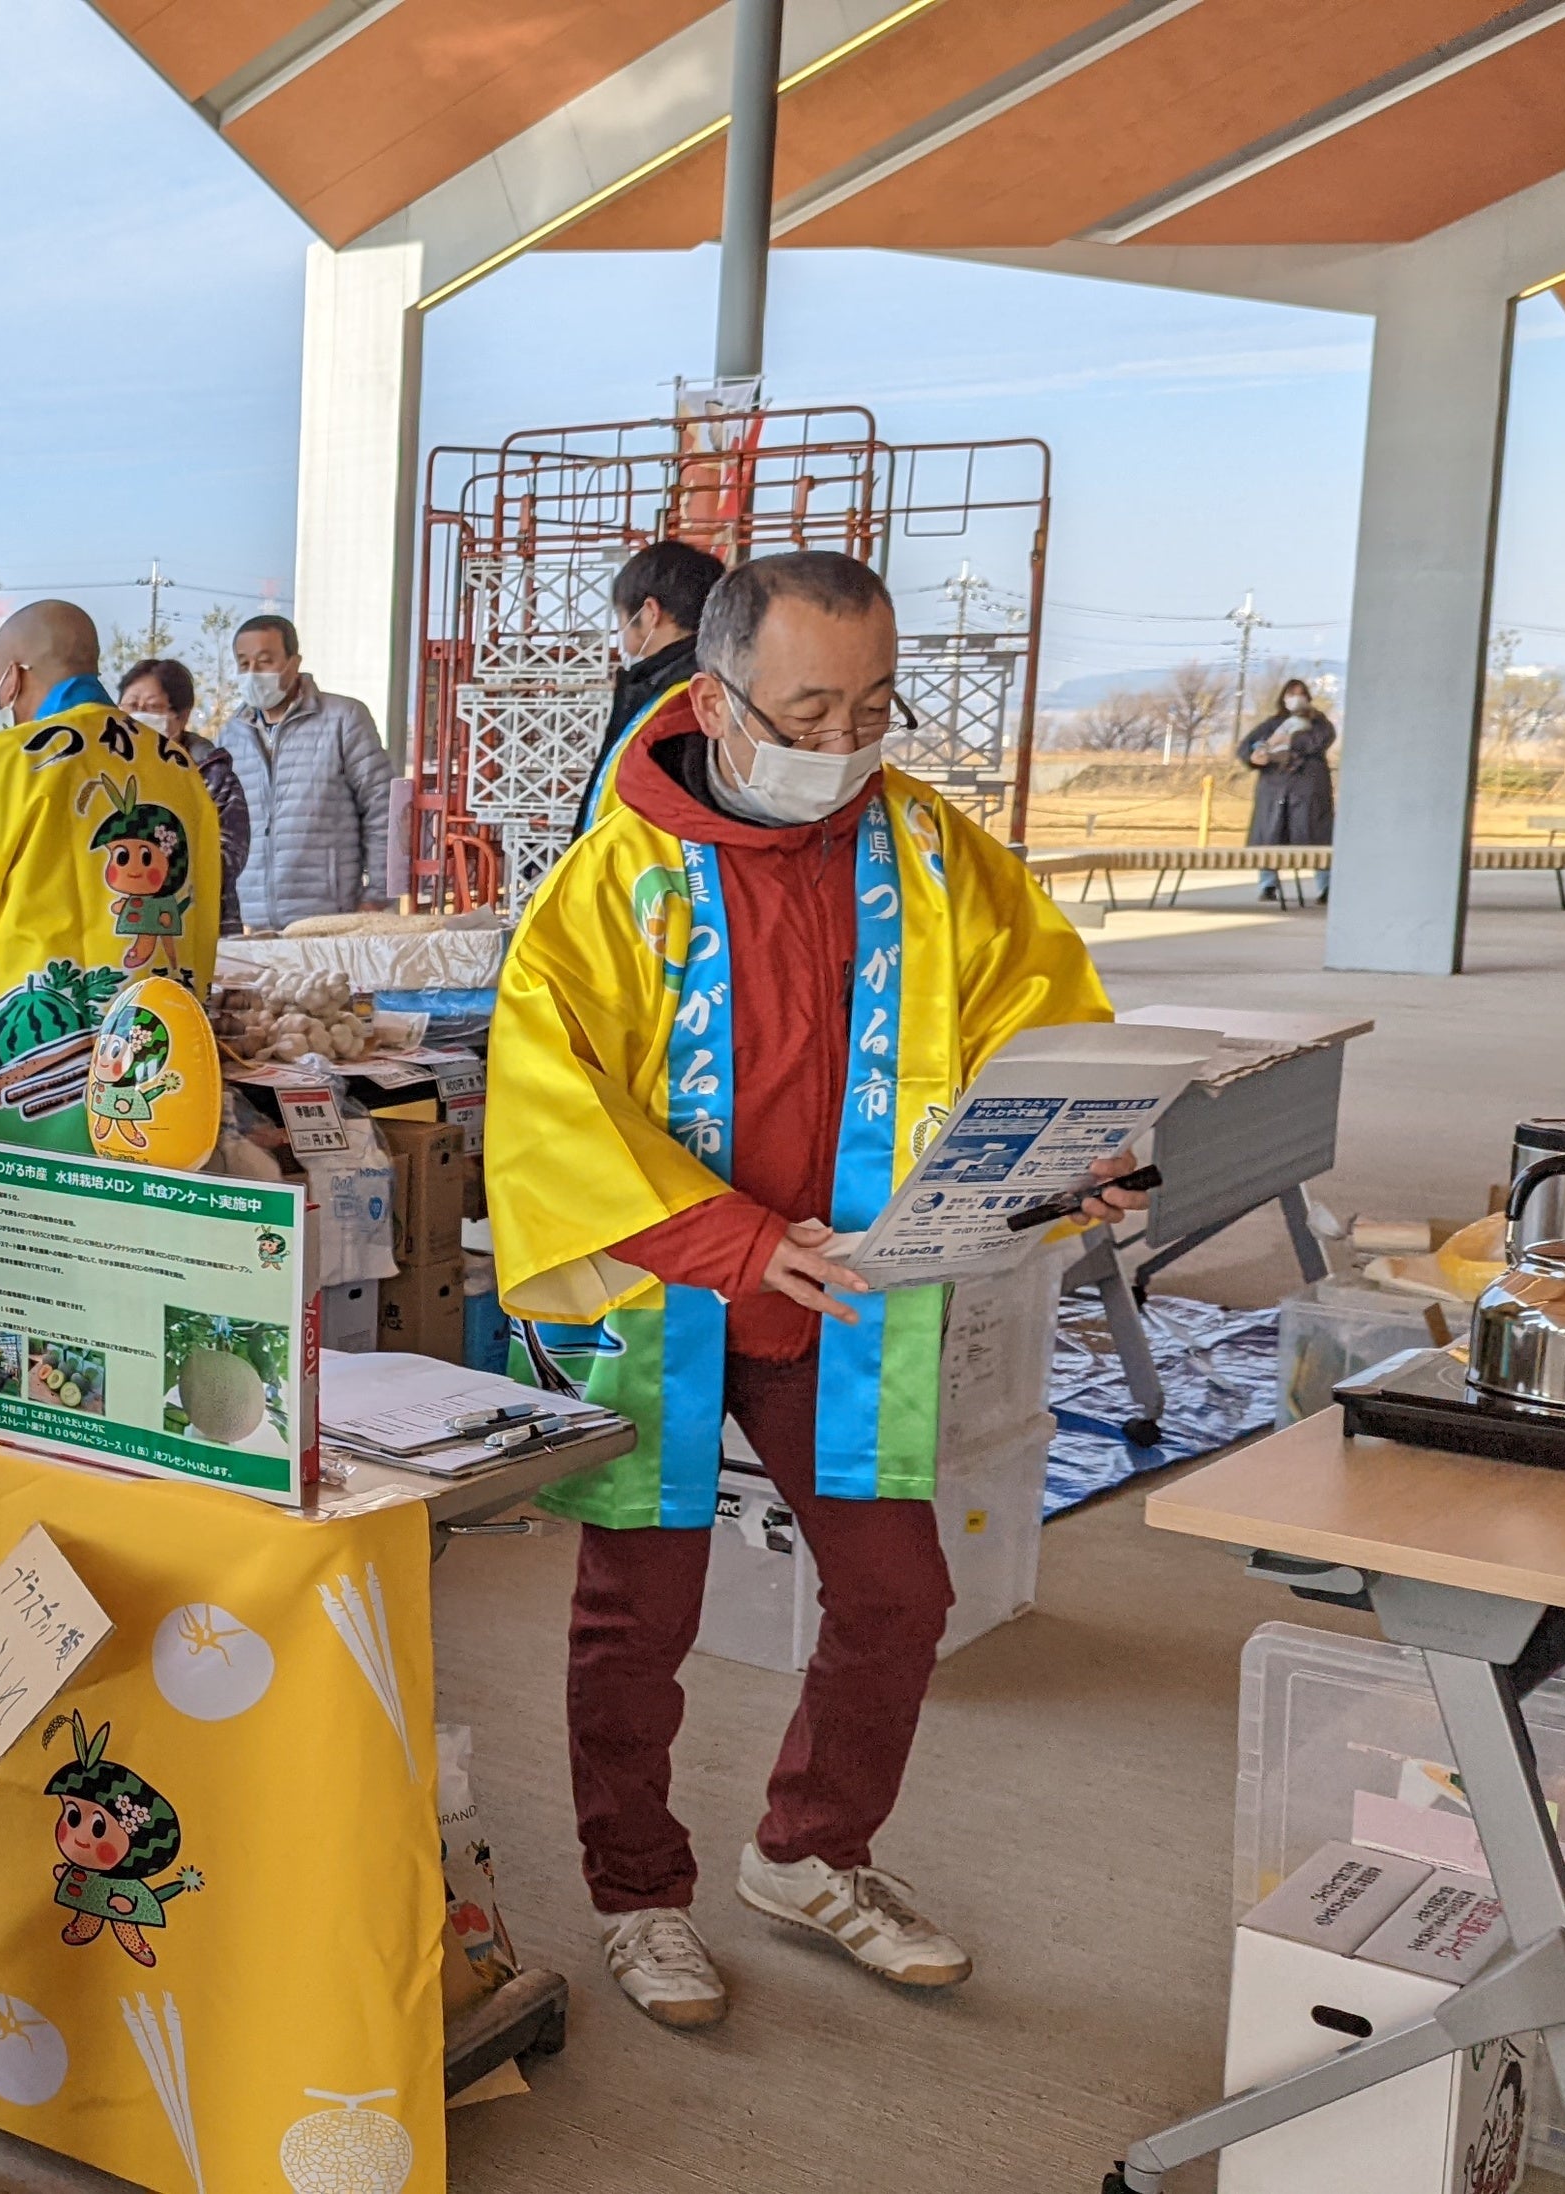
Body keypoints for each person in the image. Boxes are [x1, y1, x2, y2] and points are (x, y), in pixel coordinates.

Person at [484, 550, 1147, 2037]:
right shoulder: (617, 876)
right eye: (807, 712)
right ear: (717, 698)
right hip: (670, 1284)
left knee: (899, 1593)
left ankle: (808, 1851)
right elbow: (547, 1093)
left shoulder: (934, 854)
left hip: (847, 1291)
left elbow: (1038, 1020)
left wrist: (1081, 1157)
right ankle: (638, 1892)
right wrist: (729, 1239)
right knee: (636, 1615)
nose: (844, 743)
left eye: (872, 707)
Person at [0, 601, 223, 1150]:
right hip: (163, 1042)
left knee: (54, 1195)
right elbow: (206, 902)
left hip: (46, 1066)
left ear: (14, 676)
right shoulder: (175, 764)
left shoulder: (7, 761)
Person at [212, 615, 394, 928]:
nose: (253, 672)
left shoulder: (343, 719)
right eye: (244, 664)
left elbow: (382, 807)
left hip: (330, 916)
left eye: (265, 661)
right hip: (252, 923)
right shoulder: (230, 736)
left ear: (294, 663)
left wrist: (378, 893)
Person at [581, 538, 726, 826]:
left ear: (649, 612)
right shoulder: (704, 686)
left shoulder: (676, 702)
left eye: (621, 617)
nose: (621, 630)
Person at [115, 656, 252, 893]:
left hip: (194, 907)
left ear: (181, 716)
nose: (139, 715)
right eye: (132, 706)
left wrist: (156, 871)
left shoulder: (211, 774)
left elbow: (230, 855)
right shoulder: (107, 771)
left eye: (152, 707)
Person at [1239, 675, 1335, 903]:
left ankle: (1326, 886)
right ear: (1283, 697)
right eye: (1291, 694)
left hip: (1309, 789)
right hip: (1274, 789)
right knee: (1269, 834)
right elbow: (1247, 746)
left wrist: (1288, 740)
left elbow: (1318, 741)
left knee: (1317, 836)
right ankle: (1268, 884)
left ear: (1308, 697)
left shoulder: (1319, 723)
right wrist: (1255, 756)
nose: (1296, 698)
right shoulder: (1271, 724)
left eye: (1301, 694)